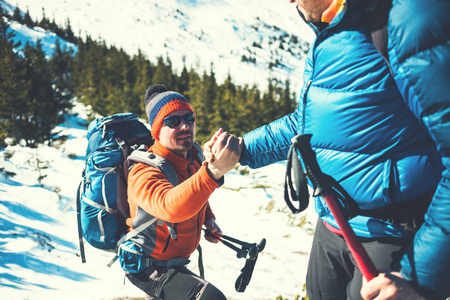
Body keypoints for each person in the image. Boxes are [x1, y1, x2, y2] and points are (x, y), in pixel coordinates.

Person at [205, 0, 449, 299]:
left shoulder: (407, 20)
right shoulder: (332, 34)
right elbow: (309, 125)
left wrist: (419, 278)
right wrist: (243, 149)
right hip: (332, 225)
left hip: (391, 239)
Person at [120, 84, 243, 300]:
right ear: (156, 130)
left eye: (189, 118)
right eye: (172, 121)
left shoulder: (191, 156)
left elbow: (193, 192)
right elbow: (169, 207)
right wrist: (213, 172)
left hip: (174, 261)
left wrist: (209, 220)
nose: (184, 126)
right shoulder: (143, 171)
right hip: (147, 266)